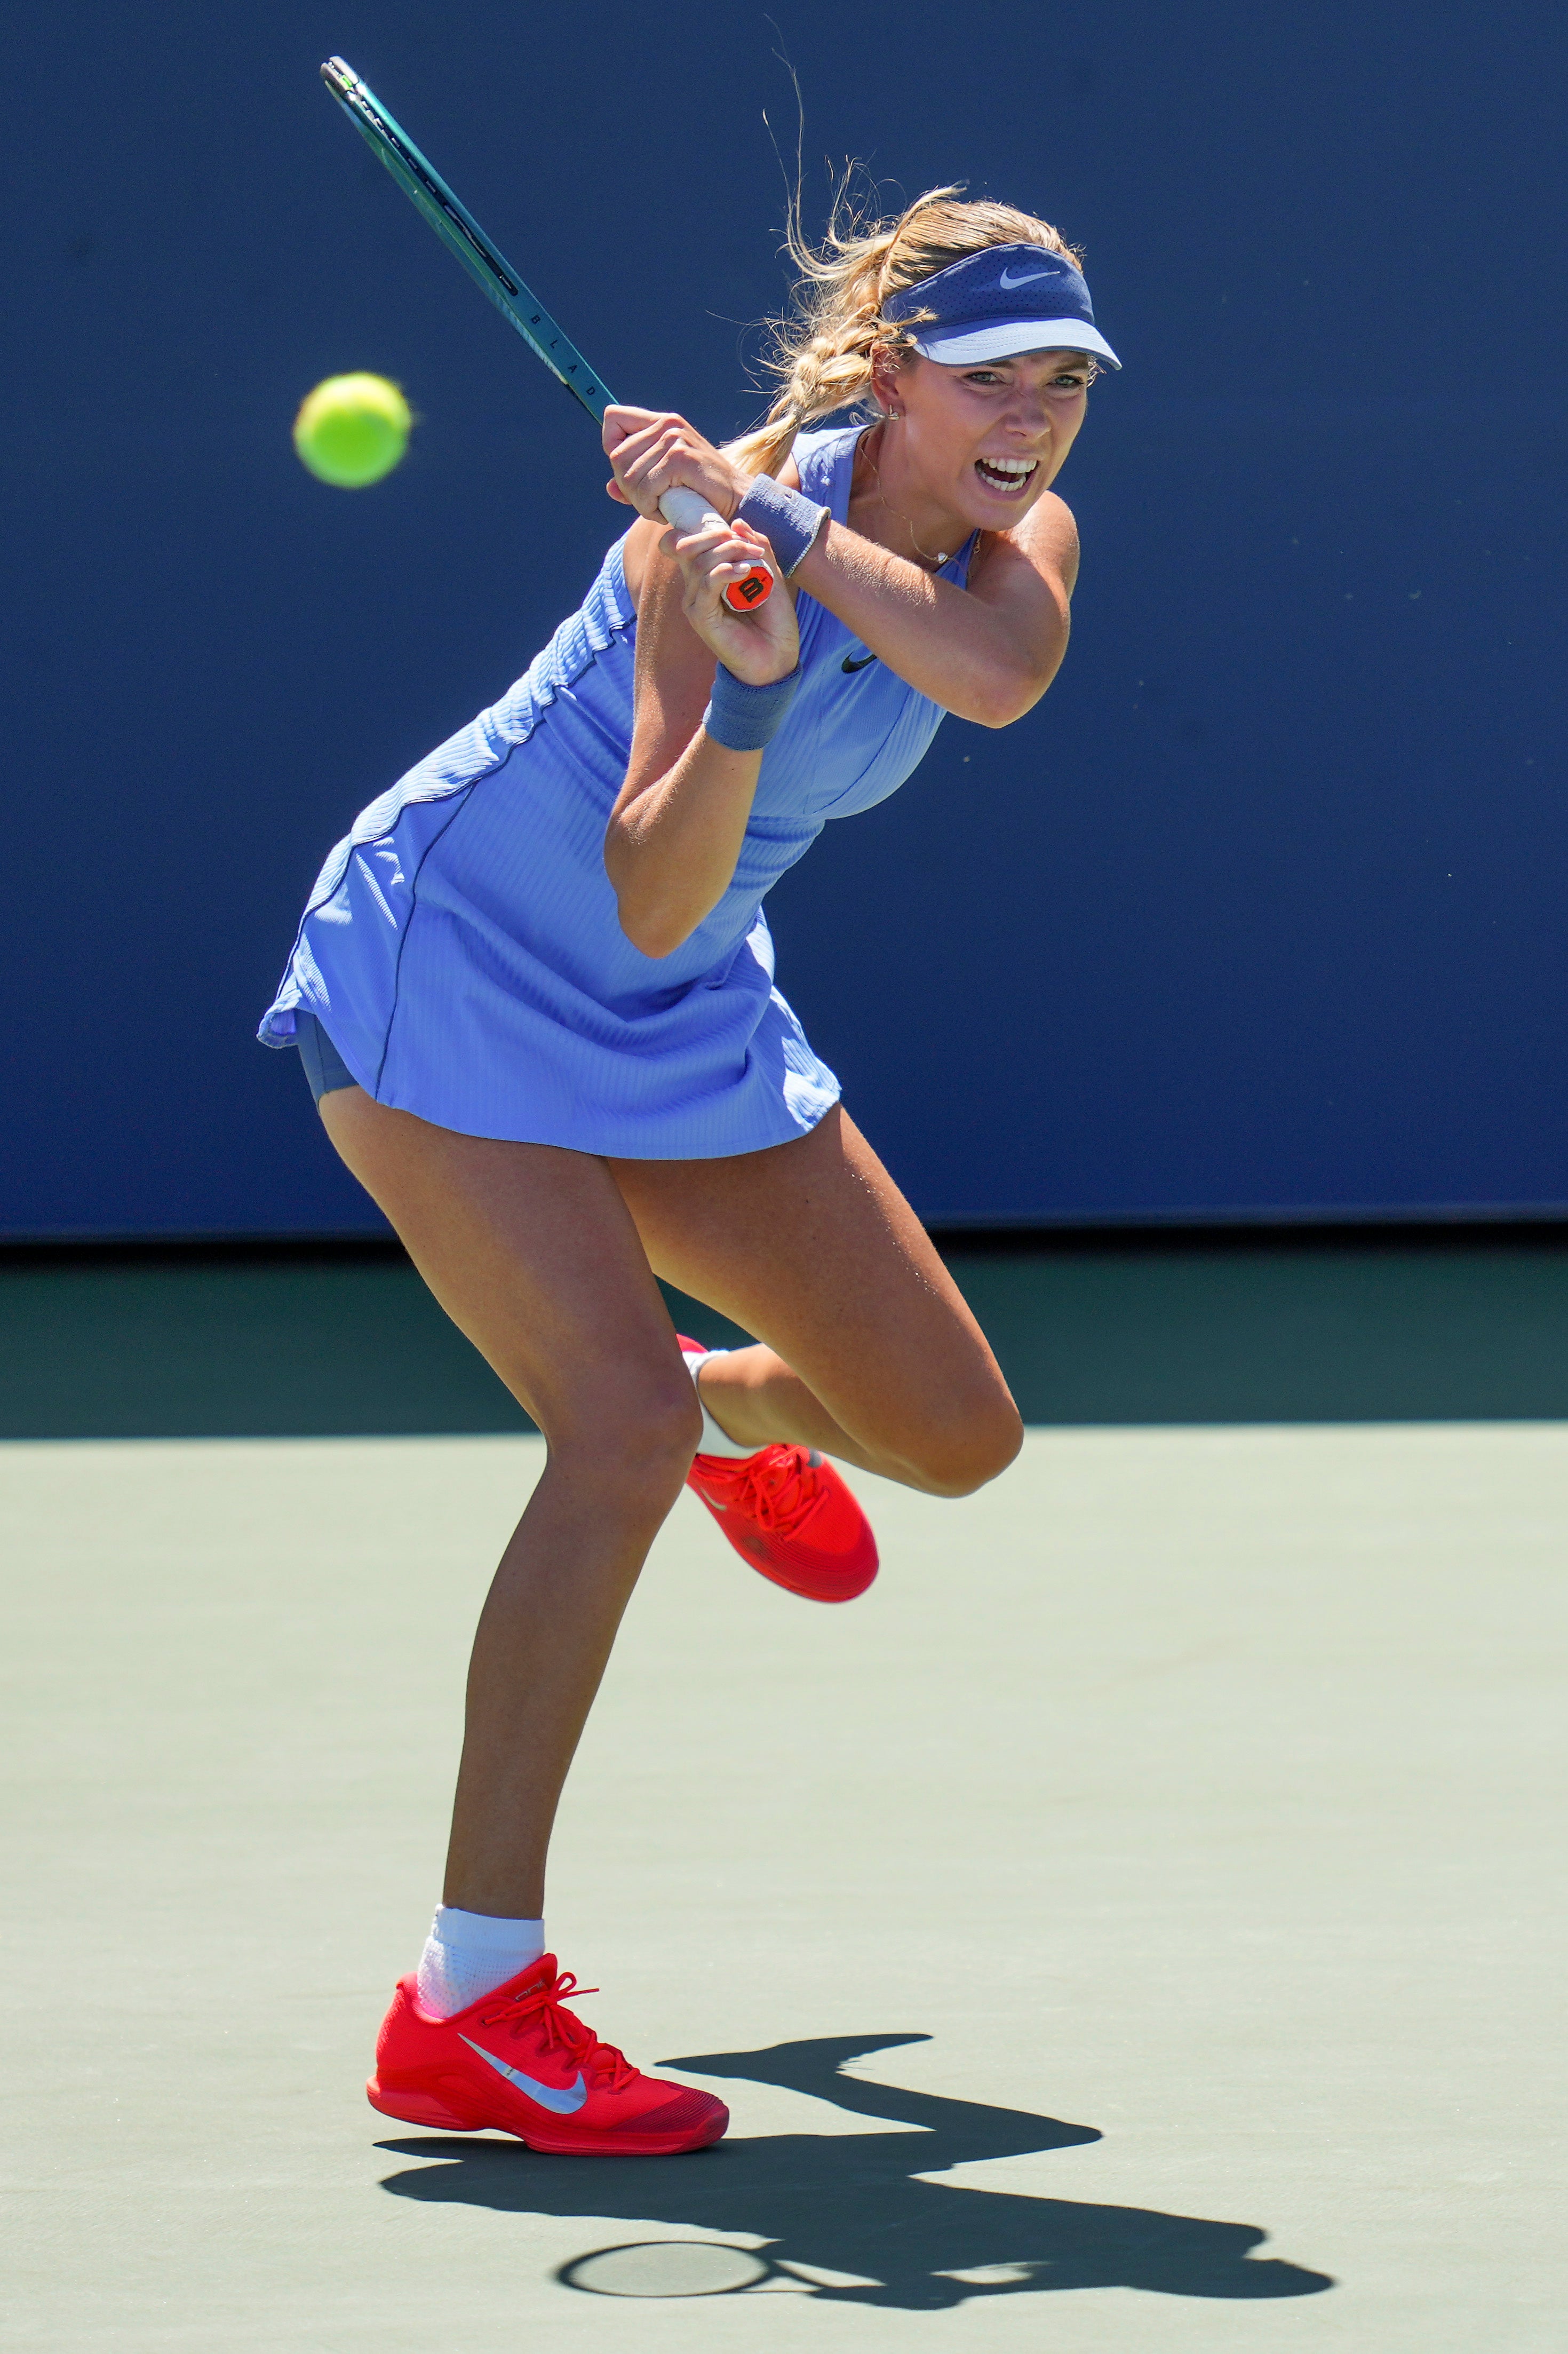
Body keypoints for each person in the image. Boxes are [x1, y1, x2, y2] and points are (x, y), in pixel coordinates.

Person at [259, 188, 1118, 2156]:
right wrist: (742, 680)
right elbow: (650, 885)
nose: (1033, 420)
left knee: (955, 1433)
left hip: (677, 1001)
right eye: (992, 378)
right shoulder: (693, 545)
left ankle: (734, 1412)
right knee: (611, 1431)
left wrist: (788, 544)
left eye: (1063, 383)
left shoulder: (1011, 543)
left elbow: (993, 675)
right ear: (890, 373)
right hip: (450, 964)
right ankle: (466, 1997)